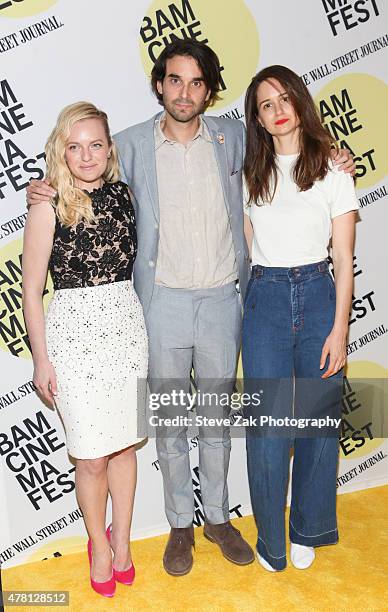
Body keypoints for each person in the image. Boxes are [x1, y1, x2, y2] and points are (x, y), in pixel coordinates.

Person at [25, 39, 355, 577]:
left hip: (227, 299)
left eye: (197, 82)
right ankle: (181, 523)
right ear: (159, 85)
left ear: (209, 90)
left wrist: (336, 153)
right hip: (161, 306)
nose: (185, 91)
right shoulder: (126, 145)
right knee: (174, 419)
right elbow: (77, 176)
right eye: (175, 80)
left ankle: (219, 518)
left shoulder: (233, 137)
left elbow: (291, 141)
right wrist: (41, 190)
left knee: (217, 418)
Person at [22, 102, 148, 597]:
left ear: (110, 148)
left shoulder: (125, 195)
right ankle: (97, 542)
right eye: (74, 147)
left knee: (123, 444)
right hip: (73, 335)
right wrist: (41, 359)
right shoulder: (45, 204)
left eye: (95, 144)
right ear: (61, 151)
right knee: (90, 457)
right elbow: (32, 290)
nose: (86, 154)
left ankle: (124, 541)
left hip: (126, 329)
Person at [242, 65, 358, 572]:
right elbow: (248, 237)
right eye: (266, 104)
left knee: (317, 422)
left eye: (285, 97)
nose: (278, 109)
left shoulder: (334, 170)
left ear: (300, 102)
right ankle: (271, 539)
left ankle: (309, 526)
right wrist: (265, 275)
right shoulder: (250, 172)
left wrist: (339, 329)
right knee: (268, 427)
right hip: (265, 296)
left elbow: (344, 259)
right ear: (259, 119)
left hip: (317, 293)